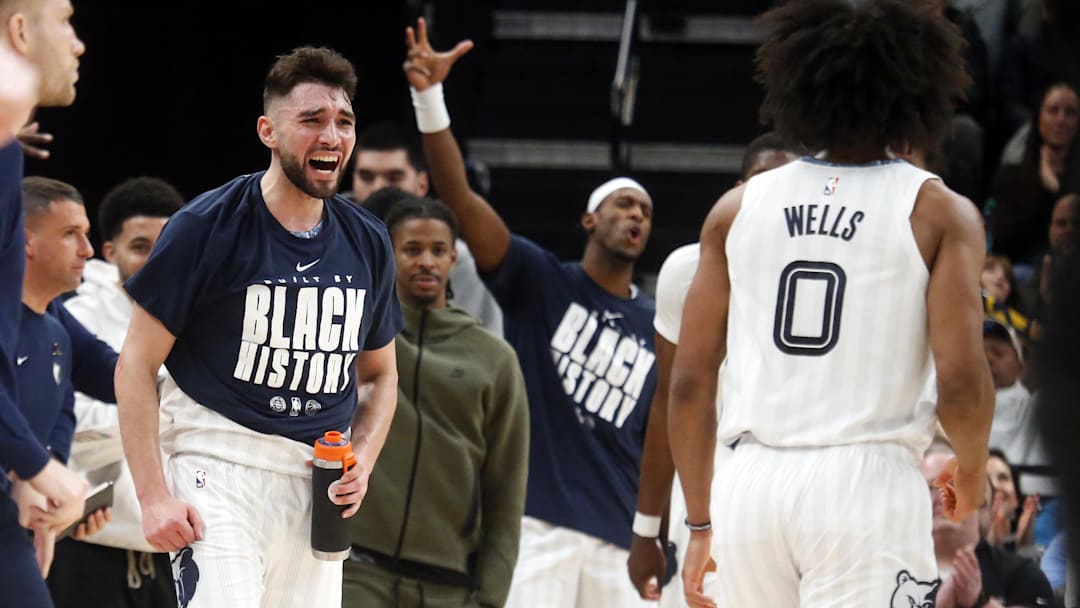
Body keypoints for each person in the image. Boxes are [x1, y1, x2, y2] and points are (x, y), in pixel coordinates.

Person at [667, 1, 995, 606]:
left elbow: (688, 383)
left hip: (749, 483)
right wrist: (971, 469)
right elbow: (962, 382)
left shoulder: (735, 208)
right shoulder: (937, 211)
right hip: (865, 487)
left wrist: (698, 523)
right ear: (917, 92)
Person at [115, 46, 403, 608]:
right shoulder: (204, 225)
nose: (332, 135)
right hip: (216, 462)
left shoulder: (368, 240)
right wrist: (153, 497)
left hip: (314, 478)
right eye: (312, 120)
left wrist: (361, 462)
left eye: (343, 121)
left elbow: (380, 377)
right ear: (268, 131)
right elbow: (136, 363)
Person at [404, 18, 659, 607]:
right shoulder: (541, 280)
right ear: (590, 220)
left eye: (645, 210)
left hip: (620, 539)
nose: (637, 216)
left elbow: (658, 444)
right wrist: (429, 97)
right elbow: (461, 201)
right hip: (537, 525)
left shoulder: (655, 324)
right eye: (624, 203)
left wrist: (657, 531)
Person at [627, 132, 795, 606]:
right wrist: (646, 527)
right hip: (712, 484)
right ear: (737, 188)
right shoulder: (688, 268)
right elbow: (667, 401)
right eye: (761, 183)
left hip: (803, 480)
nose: (772, 197)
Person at [343, 195, 529, 608]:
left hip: (450, 584)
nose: (426, 261)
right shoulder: (358, 334)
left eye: (438, 250)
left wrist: (492, 595)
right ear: (388, 255)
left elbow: (507, 487)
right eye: (412, 250)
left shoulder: (494, 359)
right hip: (355, 571)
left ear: (454, 259)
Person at [50, 177, 184, 608]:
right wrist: (167, 417)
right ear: (111, 253)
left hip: (176, 548)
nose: (157, 260)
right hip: (91, 544)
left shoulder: (204, 315)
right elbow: (70, 423)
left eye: (166, 247)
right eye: (141, 247)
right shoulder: (78, 316)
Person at [0, 1, 89, 605]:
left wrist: (23, 471)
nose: (78, 44)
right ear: (21, 32)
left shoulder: (8, 156)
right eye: (66, 21)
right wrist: (36, 464)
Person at [345, 121, 503, 336]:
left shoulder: (458, 258)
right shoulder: (324, 241)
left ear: (422, 184)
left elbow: (484, 344)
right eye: (366, 177)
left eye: (394, 177)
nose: (378, 188)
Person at [921, 449, 1054, 608]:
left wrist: (979, 602)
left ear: (982, 504)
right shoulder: (890, 570)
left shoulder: (1022, 573)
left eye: (954, 485)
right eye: (928, 488)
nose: (941, 496)